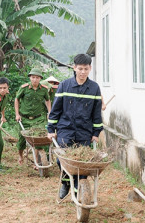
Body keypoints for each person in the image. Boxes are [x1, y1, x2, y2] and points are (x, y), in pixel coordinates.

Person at [47, 54, 103, 199]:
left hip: (84, 131)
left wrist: (96, 133)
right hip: (65, 129)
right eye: (80, 69)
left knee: (82, 162)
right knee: (62, 159)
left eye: (86, 69)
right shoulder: (64, 86)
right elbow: (56, 110)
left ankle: (79, 190)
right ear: (74, 68)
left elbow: (96, 114)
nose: (83, 72)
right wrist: (51, 129)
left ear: (90, 68)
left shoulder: (94, 88)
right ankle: (66, 183)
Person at [15, 68, 51, 165]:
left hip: (38, 119)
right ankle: (20, 156)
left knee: (38, 139)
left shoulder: (43, 89)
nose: (35, 79)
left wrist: (49, 113)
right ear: (30, 78)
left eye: (37, 77)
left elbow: (47, 100)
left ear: (40, 79)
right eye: (33, 77)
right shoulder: (24, 88)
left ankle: (37, 161)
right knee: (22, 140)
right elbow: (17, 99)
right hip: (24, 119)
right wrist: (17, 114)